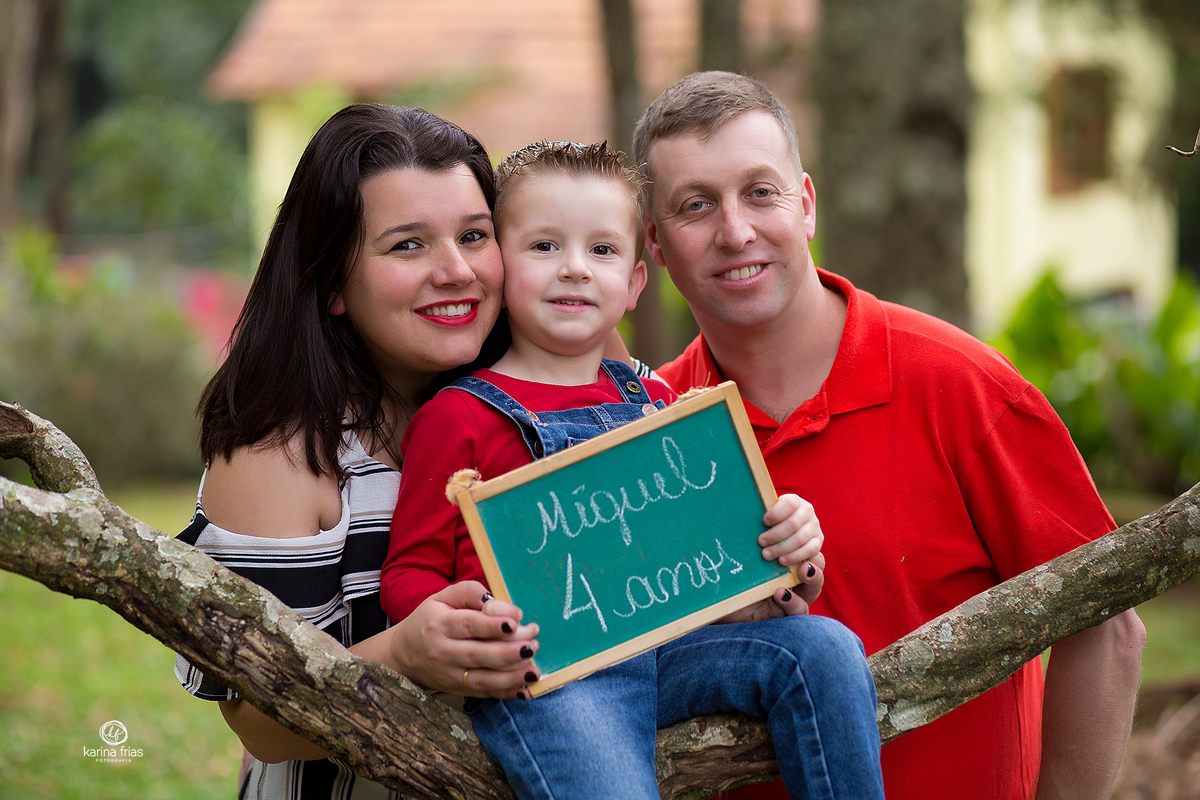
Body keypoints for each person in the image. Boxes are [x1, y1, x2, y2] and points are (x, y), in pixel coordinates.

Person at [628, 71, 1146, 800]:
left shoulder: (961, 386)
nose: (735, 231)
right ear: (654, 240)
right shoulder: (646, 433)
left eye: (760, 192)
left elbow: (1109, 626)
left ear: (805, 205)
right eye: (695, 205)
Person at [381, 140, 885, 800]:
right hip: (550, 678)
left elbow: (717, 573)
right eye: (543, 247)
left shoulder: (661, 408)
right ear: (500, 270)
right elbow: (407, 572)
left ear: (635, 285)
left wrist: (784, 564)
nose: (575, 270)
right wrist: (456, 624)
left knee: (823, 649)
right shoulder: (461, 418)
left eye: (602, 250)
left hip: (674, 655)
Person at [173, 103, 541, 800]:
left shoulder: (545, 397)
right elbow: (260, 720)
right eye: (409, 245)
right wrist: (404, 653)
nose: (457, 270)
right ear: (334, 282)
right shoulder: (280, 455)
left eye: (475, 235)